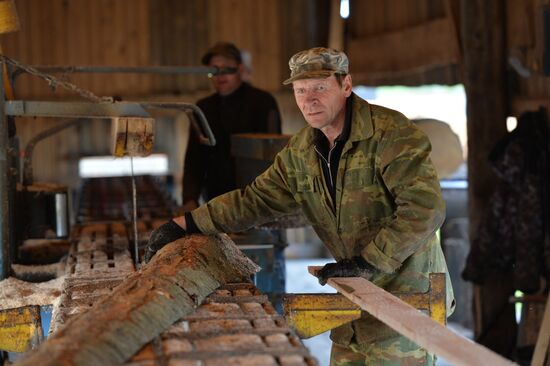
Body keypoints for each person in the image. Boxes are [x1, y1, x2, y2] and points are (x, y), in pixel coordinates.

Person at [147, 47, 455, 365]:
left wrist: (369, 262)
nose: (309, 100)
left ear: (346, 86)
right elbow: (255, 200)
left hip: (407, 302)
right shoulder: (302, 151)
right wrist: (186, 223)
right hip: (355, 300)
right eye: (300, 90)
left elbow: (425, 209)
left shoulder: (391, 135)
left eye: (320, 87)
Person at [182, 41, 281, 209]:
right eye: (214, 71)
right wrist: (189, 198)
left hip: (257, 203)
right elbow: (194, 159)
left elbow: (275, 154)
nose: (220, 76)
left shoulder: (263, 103)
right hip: (216, 202)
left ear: (240, 70)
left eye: (227, 69)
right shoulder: (202, 109)